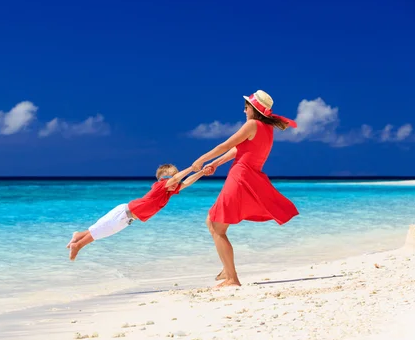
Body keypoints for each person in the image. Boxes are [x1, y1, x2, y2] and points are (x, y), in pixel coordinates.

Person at [192, 90, 299, 287]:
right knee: (212, 219)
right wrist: (215, 164)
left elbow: (225, 145)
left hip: (240, 178)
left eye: (246, 107)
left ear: (253, 109)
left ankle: (232, 279)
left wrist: (200, 160)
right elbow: (238, 150)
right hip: (249, 177)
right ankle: (227, 267)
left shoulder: (251, 124)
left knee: (217, 226)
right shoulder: (266, 129)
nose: (244, 110)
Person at [67, 164, 205, 260]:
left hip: (128, 219)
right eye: (171, 179)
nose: (176, 181)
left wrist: (201, 172)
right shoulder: (159, 187)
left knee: (102, 230)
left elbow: (186, 183)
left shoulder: (169, 193)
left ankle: (78, 235)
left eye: (177, 178)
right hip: (122, 213)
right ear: (162, 180)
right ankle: (77, 245)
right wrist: (192, 168)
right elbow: (175, 179)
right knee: (100, 231)